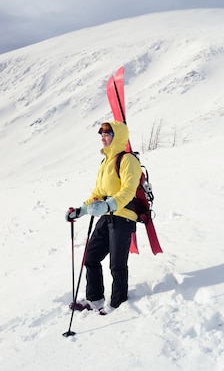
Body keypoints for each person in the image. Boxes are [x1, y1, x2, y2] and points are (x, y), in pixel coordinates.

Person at [65, 121, 142, 314]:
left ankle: (118, 302)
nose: (103, 137)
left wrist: (108, 205)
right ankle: (95, 299)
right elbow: (98, 193)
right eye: (101, 134)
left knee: (117, 264)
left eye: (107, 134)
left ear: (117, 137)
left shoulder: (127, 160)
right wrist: (81, 210)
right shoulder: (106, 162)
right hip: (106, 217)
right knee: (91, 257)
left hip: (123, 217)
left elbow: (128, 190)